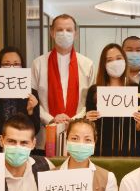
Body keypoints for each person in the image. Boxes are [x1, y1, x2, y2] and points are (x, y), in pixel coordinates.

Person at [31, 14, 94, 150]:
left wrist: (74, 120)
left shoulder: (87, 64)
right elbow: (33, 101)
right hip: (46, 134)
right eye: (60, 30)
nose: (64, 33)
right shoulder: (38, 64)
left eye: (69, 30)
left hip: (79, 135)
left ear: (75, 33)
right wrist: (51, 119)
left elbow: (90, 102)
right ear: (52, 33)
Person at [85, 43, 140, 156]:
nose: (115, 63)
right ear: (104, 65)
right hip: (100, 151)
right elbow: (89, 129)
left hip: (130, 152)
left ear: (125, 61)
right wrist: (87, 120)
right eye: (109, 60)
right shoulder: (94, 91)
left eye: (118, 58)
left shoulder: (136, 89)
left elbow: (139, 130)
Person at [0, 47, 40, 153]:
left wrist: (31, 111)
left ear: (22, 66)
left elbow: (36, 129)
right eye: (6, 64)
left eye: (16, 64)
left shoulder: (31, 94)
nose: (12, 67)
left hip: (23, 150)